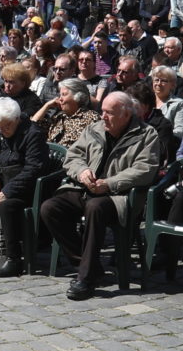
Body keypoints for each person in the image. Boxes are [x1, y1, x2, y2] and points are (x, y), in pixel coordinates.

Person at [41, 91, 166, 301]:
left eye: (109, 113)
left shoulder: (146, 134)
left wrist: (109, 184)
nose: (103, 117)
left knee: (95, 208)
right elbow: (73, 156)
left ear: (126, 115)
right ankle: (89, 266)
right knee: (50, 208)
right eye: (102, 112)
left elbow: (145, 169)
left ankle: (86, 279)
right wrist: (82, 172)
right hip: (85, 188)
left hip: (119, 196)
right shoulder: (94, 129)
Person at [0, 93, 53, 278]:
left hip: (27, 189)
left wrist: (8, 192)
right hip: (3, 182)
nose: (3, 130)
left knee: (7, 206)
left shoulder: (33, 134)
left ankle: (14, 259)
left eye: (7, 126)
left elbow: (33, 170)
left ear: (17, 119)